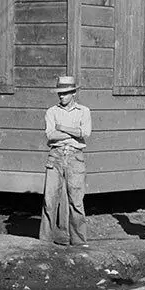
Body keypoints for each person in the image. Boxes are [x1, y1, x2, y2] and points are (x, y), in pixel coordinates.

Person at [39, 75, 92, 246]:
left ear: (73, 93)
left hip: (75, 157)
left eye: (65, 93)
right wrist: (72, 132)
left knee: (76, 201)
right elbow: (50, 135)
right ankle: (45, 240)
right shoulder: (51, 112)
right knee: (49, 200)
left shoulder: (84, 111)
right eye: (59, 94)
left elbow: (85, 133)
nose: (61, 97)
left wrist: (62, 128)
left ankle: (78, 241)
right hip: (55, 156)